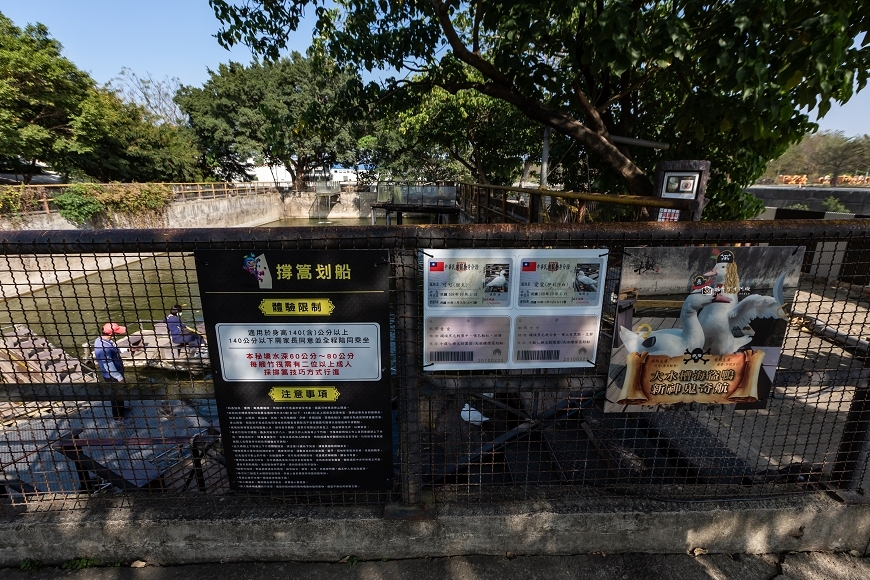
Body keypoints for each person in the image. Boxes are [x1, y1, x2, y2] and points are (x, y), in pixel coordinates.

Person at [94, 322, 130, 421]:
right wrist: (119, 378)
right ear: (111, 334)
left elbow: (113, 350)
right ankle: (119, 418)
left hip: (113, 373)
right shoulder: (104, 347)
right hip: (112, 376)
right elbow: (108, 365)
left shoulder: (101, 340)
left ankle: (122, 410)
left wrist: (127, 349)